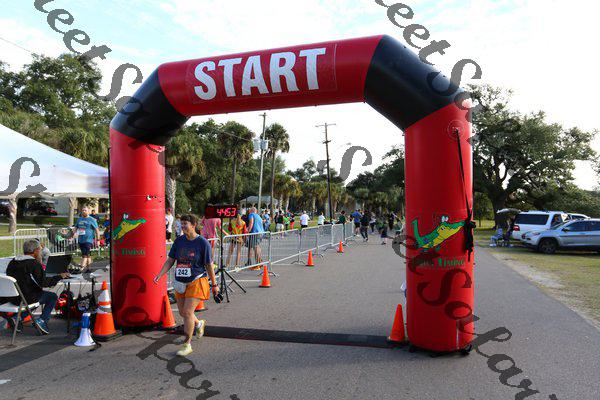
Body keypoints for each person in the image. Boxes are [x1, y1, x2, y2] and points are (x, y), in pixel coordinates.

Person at [153, 214, 218, 356]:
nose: (182, 227)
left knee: (187, 312)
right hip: (181, 281)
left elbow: (209, 265)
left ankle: (187, 344)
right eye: (181, 224)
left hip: (197, 280)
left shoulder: (203, 243)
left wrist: (214, 284)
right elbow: (171, 260)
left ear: (193, 225)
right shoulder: (179, 241)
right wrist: (160, 274)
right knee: (183, 312)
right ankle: (199, 324)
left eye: (185, 224)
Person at [2, 239, 70, 334]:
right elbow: (44, 283)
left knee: (36, 298)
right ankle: (42, 320)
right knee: (52, 297)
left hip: (13, 297)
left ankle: (17, 318)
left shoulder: (13, 262)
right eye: (40, 250)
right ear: (36, 251)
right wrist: (59, 276)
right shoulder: (33, 264)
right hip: (26, 298)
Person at [72, 206, 99, 273]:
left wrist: (98, 240)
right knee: (87, 254)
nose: (84, 211)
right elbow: (75, 227)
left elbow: (97, 230)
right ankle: (89, 268)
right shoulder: (79, 219)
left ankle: (81, 268)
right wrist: (72, 235)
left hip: (88, 239)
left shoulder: (91, 219)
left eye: (85, 210)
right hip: (81, 239)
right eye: (83, 210)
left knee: (85, 255)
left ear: (88, 212)